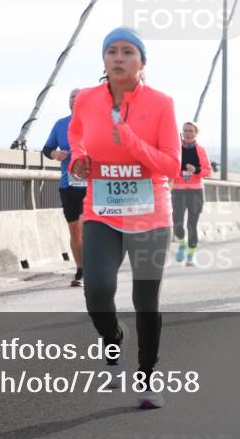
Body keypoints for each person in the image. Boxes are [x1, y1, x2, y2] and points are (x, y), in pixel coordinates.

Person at [68, 26, 180, 409]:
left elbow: (172, 165)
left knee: (145, 300)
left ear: (142, 63)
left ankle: (147, 377)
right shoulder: (86, 99)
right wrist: (79, 158)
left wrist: (130, 140)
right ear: (104, 60)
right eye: (112, 51)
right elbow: (76, 135)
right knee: (97, 289)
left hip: (150, 214)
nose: (118, 57)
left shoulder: (161, 103)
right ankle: (113, 339)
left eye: (128, 52)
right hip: (102, 211)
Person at [43, 88, 86, 286]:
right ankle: (80, 269)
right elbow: (47, 149)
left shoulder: (95, 122)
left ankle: (93, 268)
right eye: (71, 97)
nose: (74, 100)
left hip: (92, 183)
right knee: (74, 228)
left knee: (86, 226)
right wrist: (56, 155)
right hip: (68, 183)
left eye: (79, 98)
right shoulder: (61, 124)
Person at [171, 121, 211, 266]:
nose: (187, 133)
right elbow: (169, 166)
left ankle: (191, 256)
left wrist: (196, 170)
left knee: (192, 225)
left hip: (196, 191)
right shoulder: (176, 149)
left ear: (195, 133)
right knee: (177, 223)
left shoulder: (201, 150)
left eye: (190, 131)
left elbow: (207, 170)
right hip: (179, 191)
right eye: (185, 130)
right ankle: (182, 244)